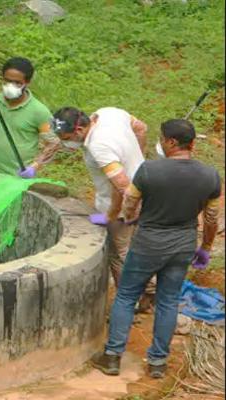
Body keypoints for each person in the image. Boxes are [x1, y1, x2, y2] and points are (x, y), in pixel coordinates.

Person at [90, 119, 221, 379]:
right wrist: (205, 247)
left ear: (171, 142)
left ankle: (113, 357)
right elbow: (211, 218)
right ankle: (158, 362)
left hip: (148, 243)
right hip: (183, 244)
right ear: (192, 144)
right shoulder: (210, 175)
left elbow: (130, 203)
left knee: (127, 295)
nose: (159, 142)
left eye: (161, 138)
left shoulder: (148, 171)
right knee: (168, 300)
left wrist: (128, 219)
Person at [50, 106, 155, 303]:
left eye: (66, 138)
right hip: (145, 190)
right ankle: (148, 290)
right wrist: (139, 162)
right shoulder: (108, 113)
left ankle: (133, 300)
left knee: (119, 253)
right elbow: (141, 128)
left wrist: (114, 215)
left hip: (124, 204)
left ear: (79, 130)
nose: (66, 143)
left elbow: (122, 186)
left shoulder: (99, 146)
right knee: (139, 245)